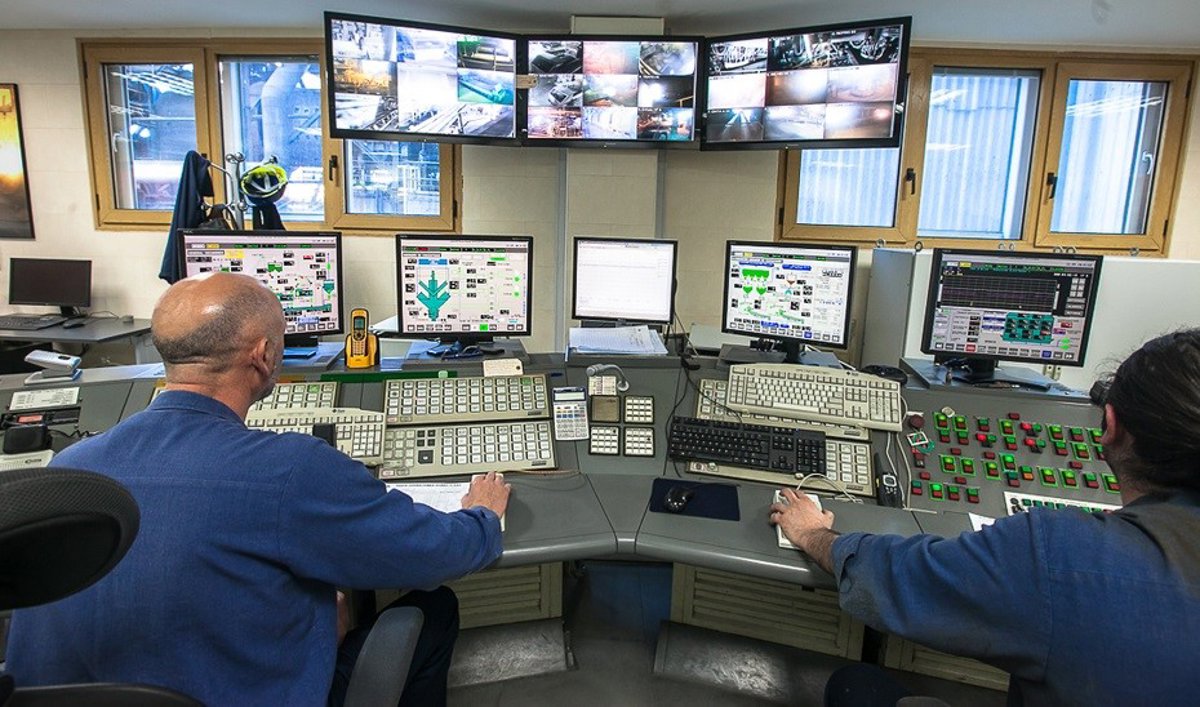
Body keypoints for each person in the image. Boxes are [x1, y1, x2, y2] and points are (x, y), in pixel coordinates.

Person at [7, 272, 512, 706]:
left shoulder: (68, 471)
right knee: (434, 608)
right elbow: (431, 552)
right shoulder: (289, 470)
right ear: (265, 355)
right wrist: (483, 518)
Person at [770, 330, 1200, 706]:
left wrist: (815, 533)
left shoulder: (1062, 555)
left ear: (1110, 425)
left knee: (854, 685)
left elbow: (898, 578)